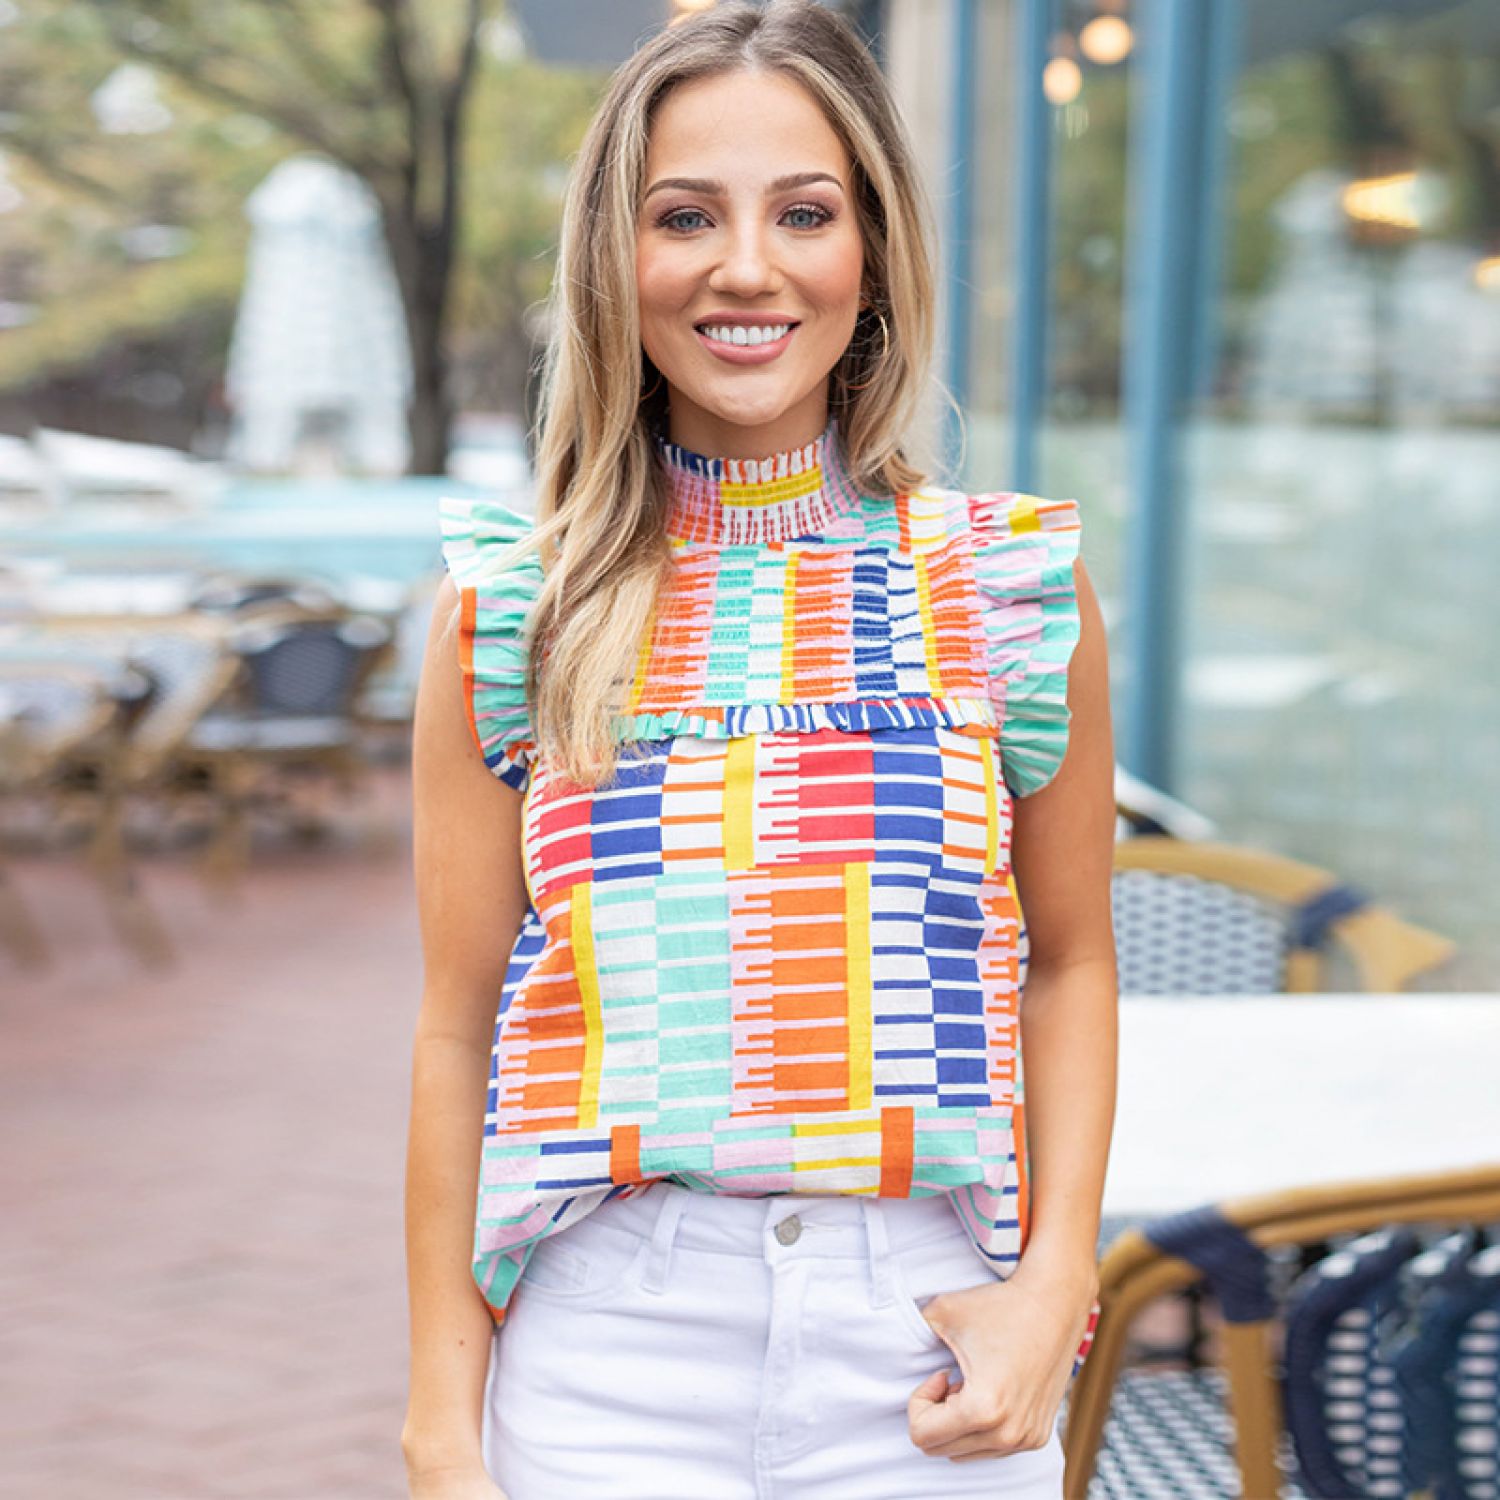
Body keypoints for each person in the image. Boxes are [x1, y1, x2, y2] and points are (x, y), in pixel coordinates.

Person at [402, 3, 1117, 1497]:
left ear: (874, 252)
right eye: (685, 216)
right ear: (614, 259)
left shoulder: (1004, 587)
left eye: (804, 212)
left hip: (928, 1346)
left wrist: (1059, 1284)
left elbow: (1069, 963)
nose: (746, 266)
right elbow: (460, 1029)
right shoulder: (516, 608)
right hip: (609, 1359)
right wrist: (439, 1426)